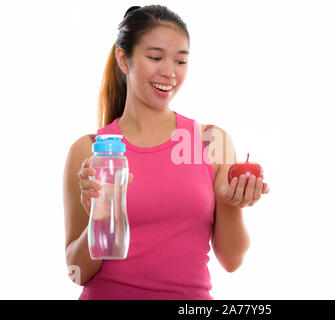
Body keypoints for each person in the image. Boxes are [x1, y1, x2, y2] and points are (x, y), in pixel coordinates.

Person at [63, 5, 270, 300]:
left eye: (180, 61)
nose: (169, 72)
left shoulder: (212, 141)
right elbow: (77, 272)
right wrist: (100, 215)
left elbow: (232, 261)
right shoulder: (90, 150)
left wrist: (231, 203)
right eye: (155, 57)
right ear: (124, 59)